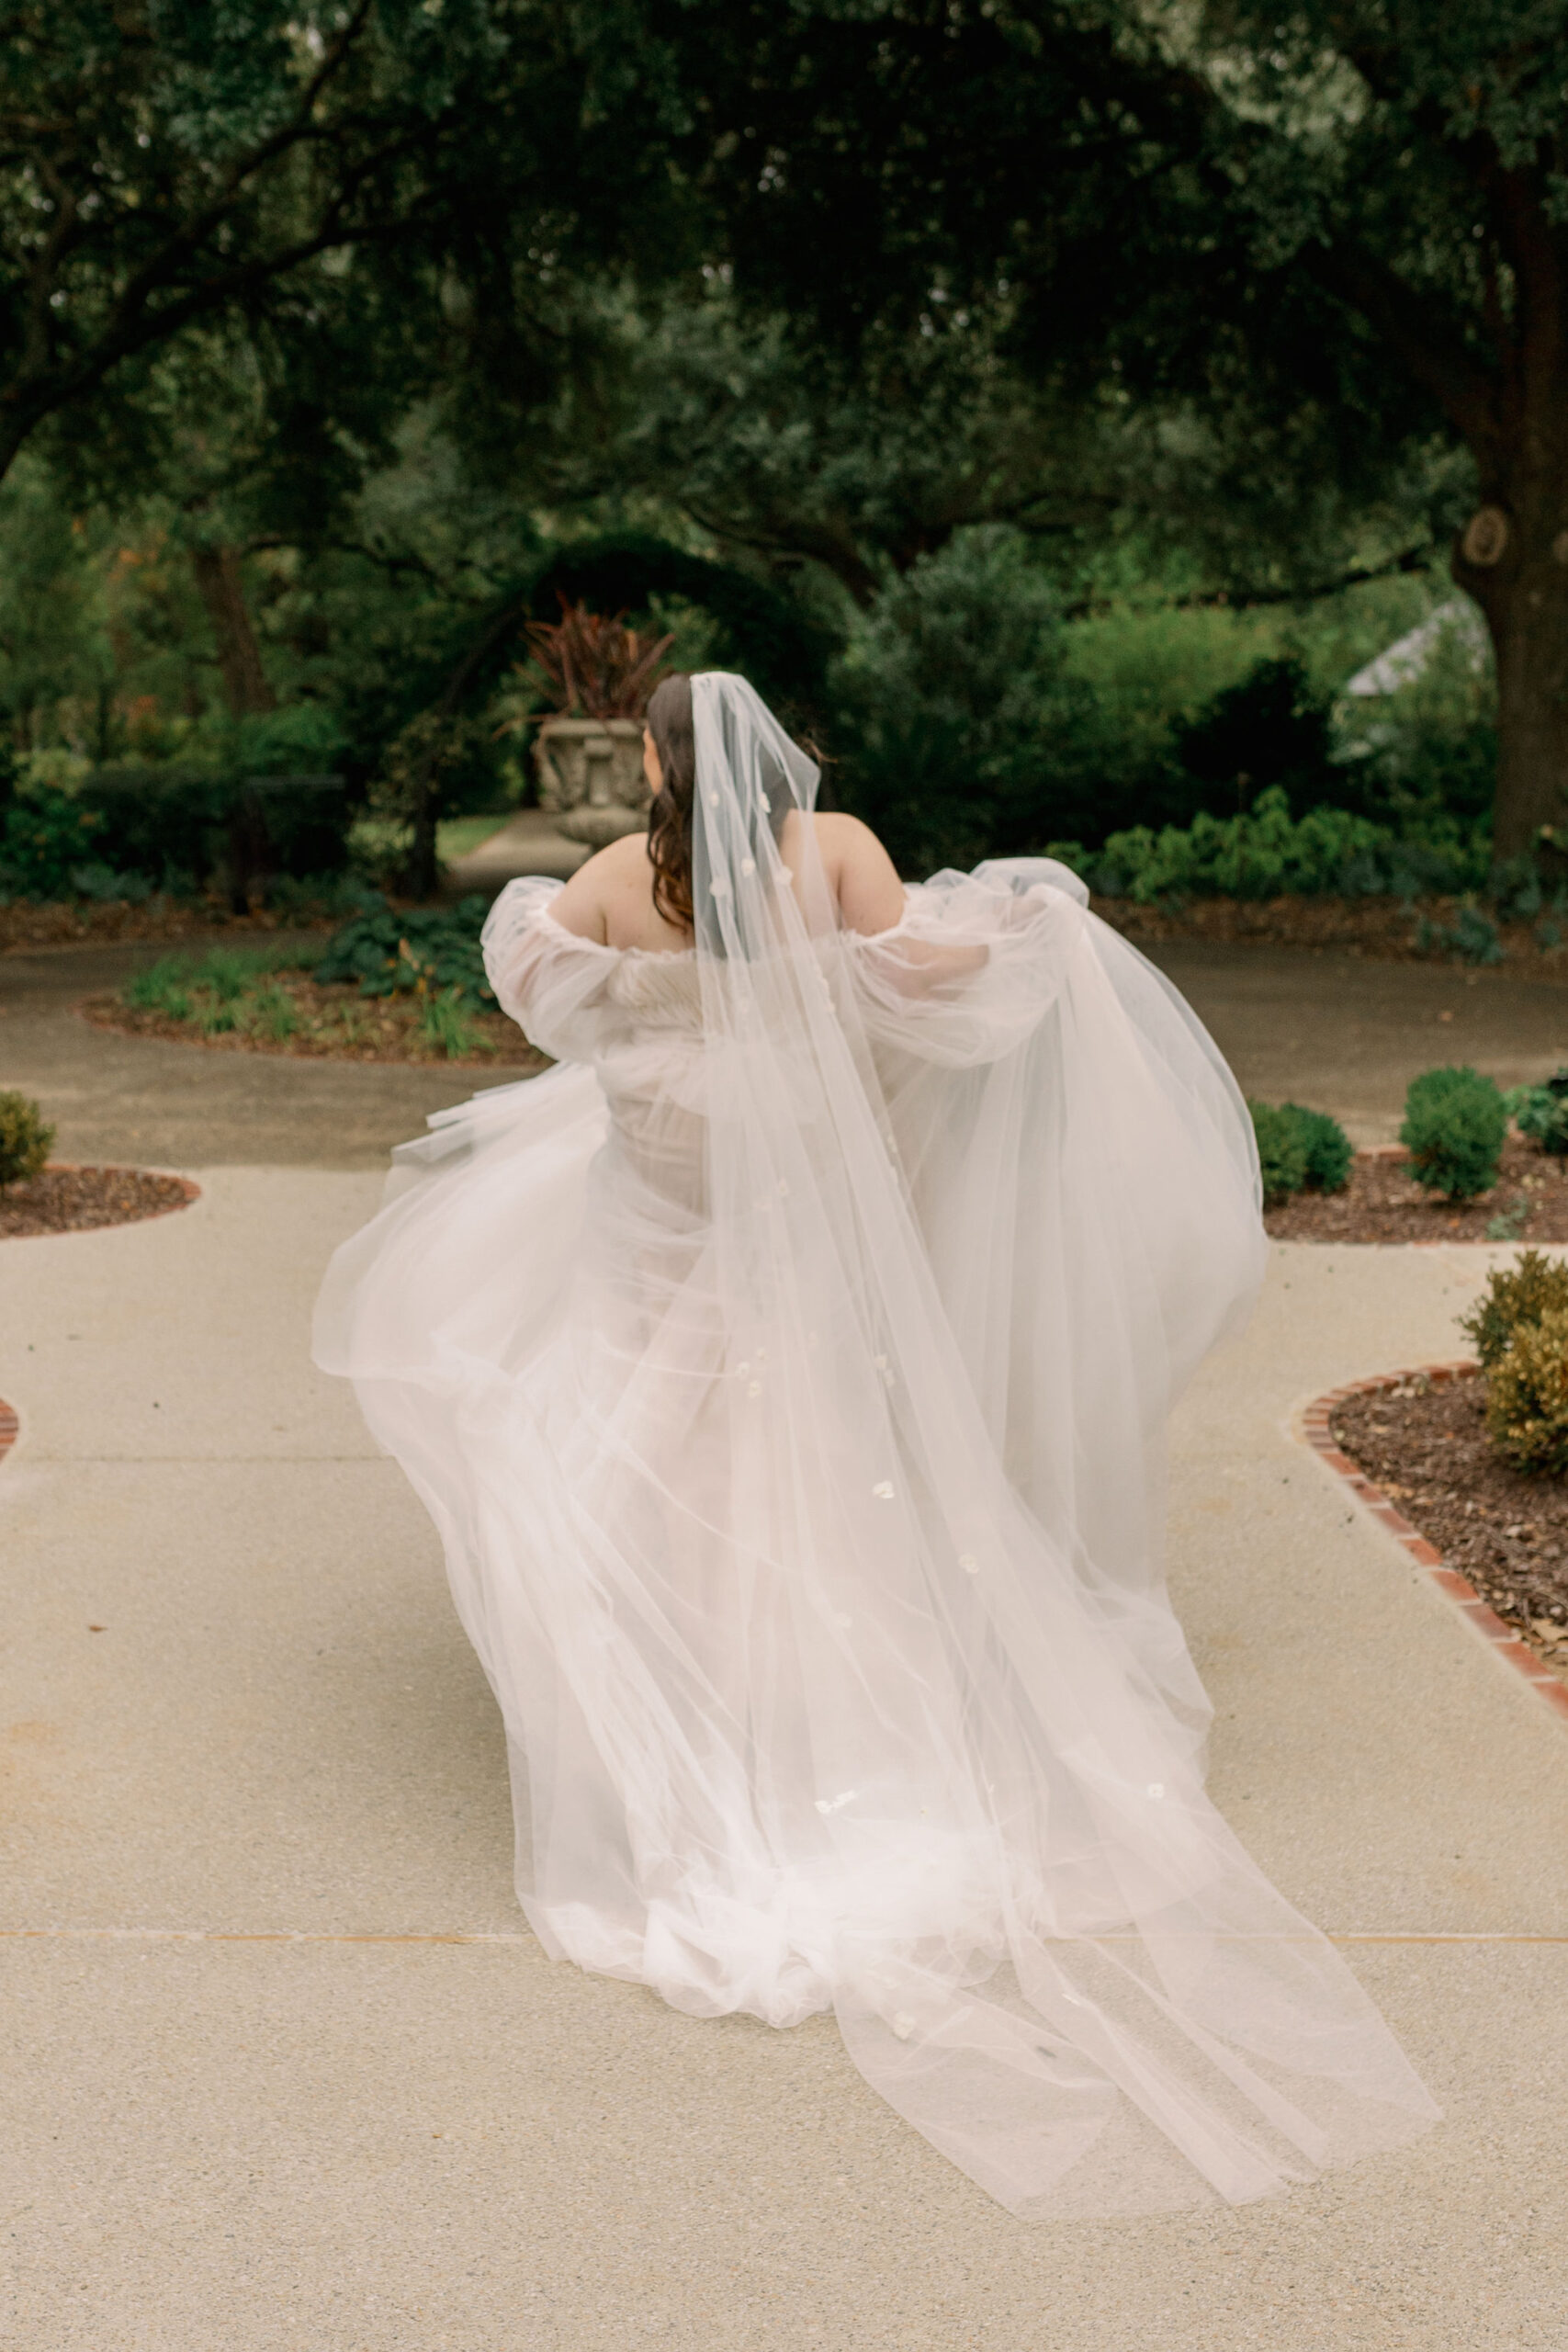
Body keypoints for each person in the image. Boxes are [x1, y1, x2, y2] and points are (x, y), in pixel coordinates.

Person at [314, 670, 1438, 2217]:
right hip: (790, 1230)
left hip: (657, 1219)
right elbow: (929, 991)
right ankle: (822, 1739)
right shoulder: (832, 853)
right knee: (815, 1470)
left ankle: (684, 1750)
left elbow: (541, 986)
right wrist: (1030, 917)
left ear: (647, 759)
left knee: (644, 1467)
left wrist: (665, 1029)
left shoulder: (595, 885)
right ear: (775, 756)